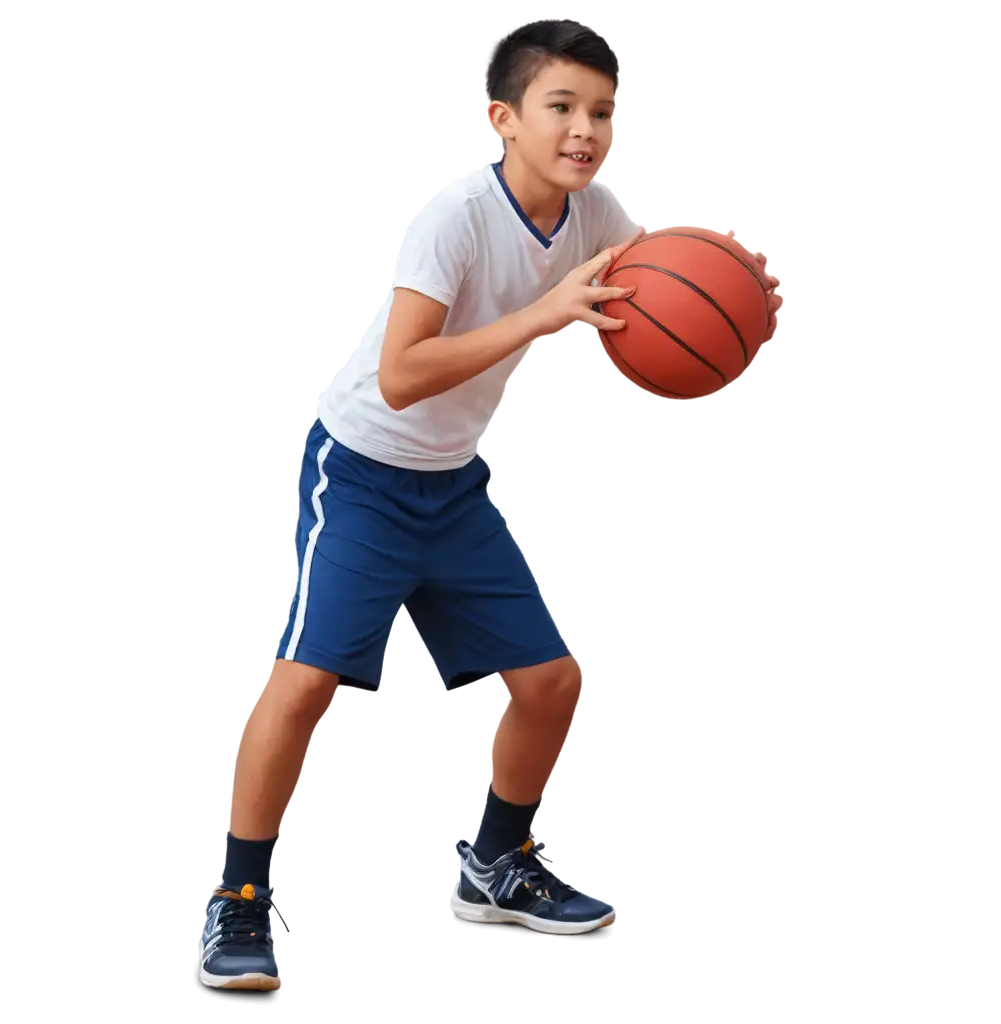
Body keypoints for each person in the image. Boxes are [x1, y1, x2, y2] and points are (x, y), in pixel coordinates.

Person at [195, 17, 777, 992]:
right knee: (302, 681)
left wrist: (723, 299)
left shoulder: (598, 215)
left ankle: (494, 863)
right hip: (366, 466)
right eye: (561, 107)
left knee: (549, 680)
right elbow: (401, 374)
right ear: (501, 117)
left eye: (602, 112)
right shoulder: (452, 215)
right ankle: (237, 899)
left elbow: (658, 307)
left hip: (452, 481)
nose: (585, 129)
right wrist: (541, 316)